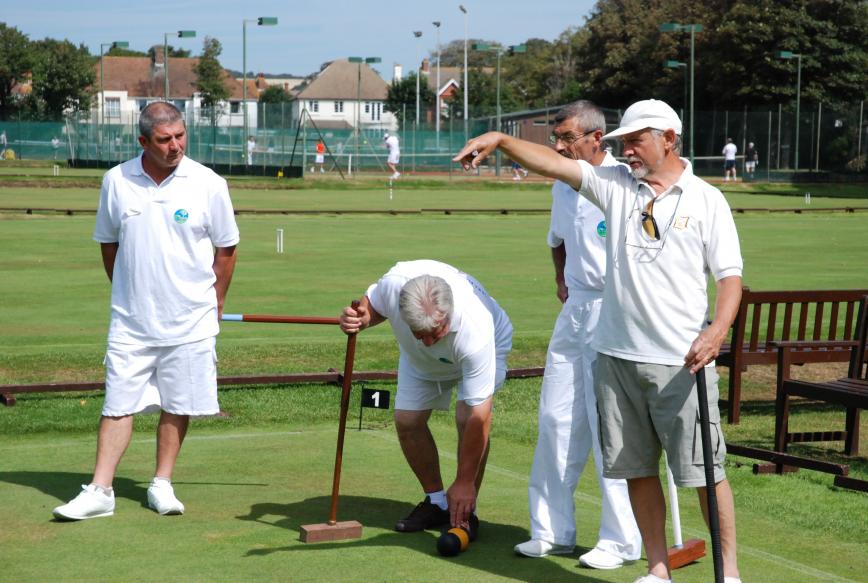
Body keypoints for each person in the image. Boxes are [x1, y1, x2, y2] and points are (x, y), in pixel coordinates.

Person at [455, 99, 743, 583]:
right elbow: (553, 164)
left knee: (705, 474)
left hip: (681, 362)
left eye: (635, 141)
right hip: (616, 357)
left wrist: (716, 332)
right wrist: (501, 141)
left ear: (668, 139)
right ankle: (657, 570)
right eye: (622, 142)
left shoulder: (707, 199)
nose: (626, 150)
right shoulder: (614, 186)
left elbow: (730, 278)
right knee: (635, 470)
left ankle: (729, 575)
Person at [52, 101, 240, 521]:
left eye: (180, 136)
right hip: (131, 321)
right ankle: (101, 490)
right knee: (117, 402)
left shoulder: (209, 183)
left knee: (179, 401)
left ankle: (162, 483)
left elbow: (227, 248)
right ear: (143, 141)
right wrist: (128, 291)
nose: (175, 146)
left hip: (191, 318)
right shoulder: (116, 180)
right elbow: (109, 243)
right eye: (164, 139)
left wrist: (217, 301)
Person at [513, 101, 641, 570]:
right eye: (556, 138)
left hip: (614, 310)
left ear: (596, 137)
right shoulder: (561, 184)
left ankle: (621, 541)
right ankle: (552, 531)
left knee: (609, 423)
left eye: (567, 137)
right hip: (575, 309)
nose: (559, 146)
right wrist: (560, 278)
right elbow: (558, 240)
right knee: (555, 417)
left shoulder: (622, 182)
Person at [339, 260, 512, 534]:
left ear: (447, 315)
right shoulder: (394, 285)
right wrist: (361, 319)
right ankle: (437, 503)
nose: (429, 342)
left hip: (482, 347)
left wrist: (464, 481)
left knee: (466, 418)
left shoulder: (476, 331)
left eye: (435, 333)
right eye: (420, 334)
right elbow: (373, 306)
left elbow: (479, 417)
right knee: (407, 422)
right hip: (418, 360)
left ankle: (466, 511)